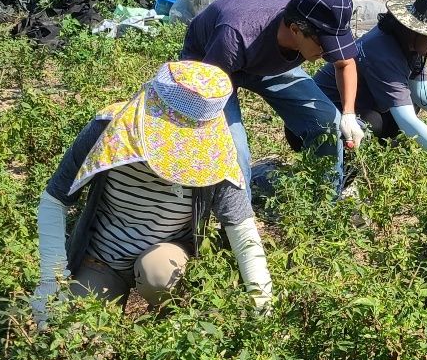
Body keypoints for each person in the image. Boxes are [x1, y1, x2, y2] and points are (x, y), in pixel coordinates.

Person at [29, 61, 275, 327]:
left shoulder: (218, 156)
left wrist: (262, 305)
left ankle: (173, 317)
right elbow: (56, 198)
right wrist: (51, 279)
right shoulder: (109, 129)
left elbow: (242, 229)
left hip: (166, 257)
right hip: (103, 255)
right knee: (72, 330)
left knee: (157, 272)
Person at [179, 0, 364, 195]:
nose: (327, 53)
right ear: (295, 29)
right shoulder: (236, 34)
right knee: (233, 148)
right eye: (324, 45)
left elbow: (345, 63)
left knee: (327, 119)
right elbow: (210, 95)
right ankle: (238, 222)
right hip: (212, 62)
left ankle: (324, 201)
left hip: (262, 61)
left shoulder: (308, 26)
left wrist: (348, 114)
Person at [311, 0, 427, 179]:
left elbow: (421, 92)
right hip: (319, 122)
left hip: (360, 106)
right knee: (374, 124)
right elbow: (407, 121)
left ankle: (373, 163)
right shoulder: (382, 51)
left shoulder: (412, 45)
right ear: (415, 29)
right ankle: (338, 176)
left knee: (406, 107)